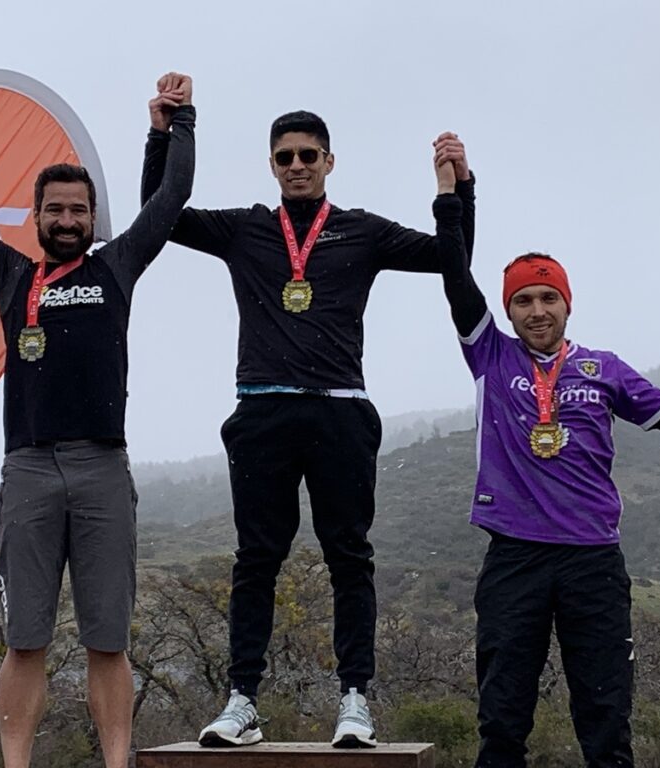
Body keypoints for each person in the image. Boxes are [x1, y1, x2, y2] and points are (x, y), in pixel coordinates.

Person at [141, 76, 476, 748]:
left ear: (329, 161)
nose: (297, 165)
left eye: (309, 155)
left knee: (348, 556)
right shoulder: (244, 231)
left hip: (341, 412)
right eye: (285, 157)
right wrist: (167, 131)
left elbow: (452, 258)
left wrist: (457, 189)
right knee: (255, 559)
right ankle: (242, 702)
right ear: (272, 164)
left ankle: (354, 699)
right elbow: (161, 215)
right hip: (262, 412)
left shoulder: (363, 232)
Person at [429, 152, 660, 768]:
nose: (537, 311)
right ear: (508, 312)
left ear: (568, 304)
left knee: (605, 717)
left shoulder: (603, 367)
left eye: (548, 298)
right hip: (515, 555)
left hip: (593, 558)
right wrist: (457, 195)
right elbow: (455, 275)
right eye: (524, 302)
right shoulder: (491, 356)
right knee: (503, 717)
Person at [0, 73, 196, 768]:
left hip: (102, 470)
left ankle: (119, 762)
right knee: (25, 638)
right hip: (27, 470)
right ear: (35, 216)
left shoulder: (116, 268)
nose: (65, 219)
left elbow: (172, 197)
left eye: (77, 210)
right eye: (54, 209)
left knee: (108, 639)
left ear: (92, 218)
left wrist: (181, 122)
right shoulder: (8, 276)